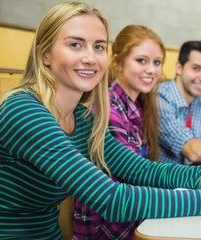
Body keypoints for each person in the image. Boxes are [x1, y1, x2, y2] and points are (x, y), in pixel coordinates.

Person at [0, 3, 201, 239]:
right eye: (75, 45)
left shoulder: (82, 116)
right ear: (45, 54)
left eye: (98, 46)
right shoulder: (22, 109)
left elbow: (139, 169)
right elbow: (110, 198)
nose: (90, 57)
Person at [72, 25, 163, 239]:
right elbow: (129, 181)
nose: (151, 69)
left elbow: (144, 172)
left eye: (157, 62)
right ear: (118, 62)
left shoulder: (139, 105)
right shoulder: (108, 107)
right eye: (141, 60)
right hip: (108, 229)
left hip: (133, 222)